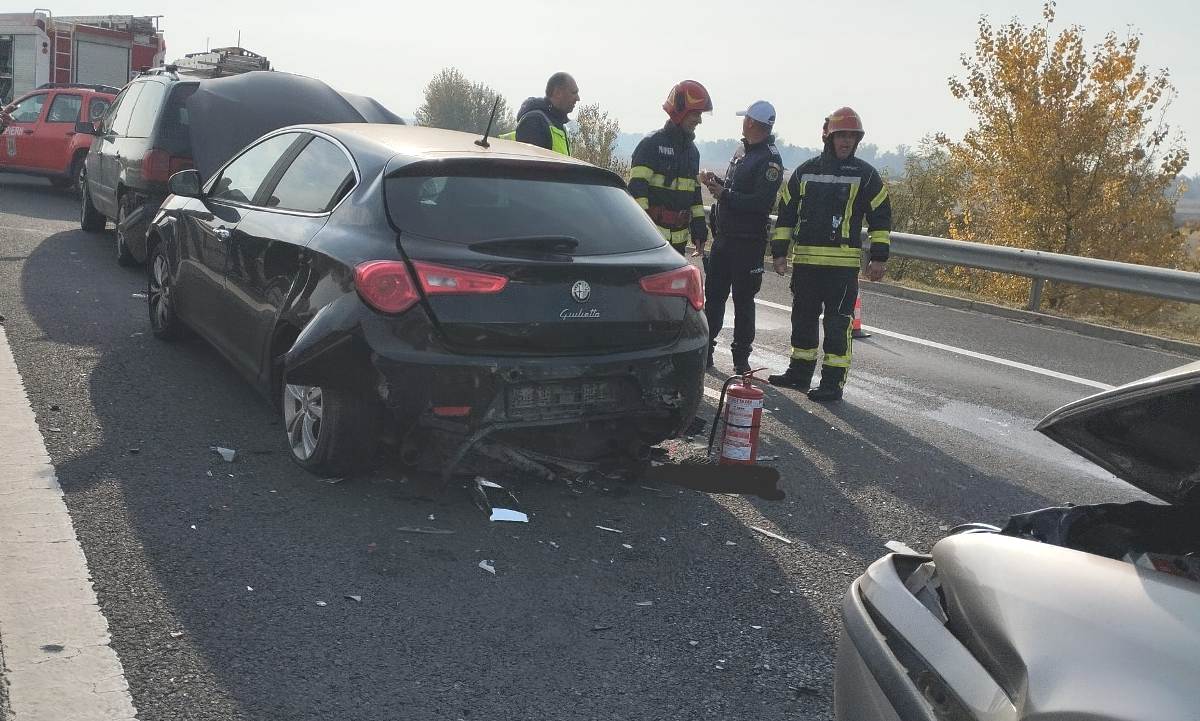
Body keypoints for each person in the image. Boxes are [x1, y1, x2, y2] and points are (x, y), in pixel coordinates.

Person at [767, 106, 891, 401]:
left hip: (842, 269)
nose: (846, 142)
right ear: (829, 137)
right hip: (807, 264)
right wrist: (780, 253)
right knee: (803, 319)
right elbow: (786, 213)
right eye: (841, 136)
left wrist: (879, 257)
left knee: (837, 324)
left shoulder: (865, 175)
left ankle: (832, 383)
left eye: (851, 136)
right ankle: (799, 373)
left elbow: (881, 217)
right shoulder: (806, 171)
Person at [699, 100, 784, 374]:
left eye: (744, 119)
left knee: (744, 301)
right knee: (713, 297)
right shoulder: (741, 150)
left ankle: (740, 360)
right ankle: (706, 350)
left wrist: (726, 194)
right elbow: (735, 190)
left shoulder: (770, 159)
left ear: (750, 122)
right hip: (724, 239)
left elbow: (761, 202)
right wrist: (717, 184)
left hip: (748, 242)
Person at [628, 80, 712, 255]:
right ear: (680, 112)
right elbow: (637, 191)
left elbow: (695, 196)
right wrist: (644, 231)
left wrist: (699, 228)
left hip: (678, 244)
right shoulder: (651, 144)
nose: (699, 120)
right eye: (695, 114)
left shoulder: (692, 152)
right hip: (651, 241)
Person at [504, 72, 579, 155]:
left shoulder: (557, 124)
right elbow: (532, 165)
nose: (578, 98)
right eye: (574, 93)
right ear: (557, 93)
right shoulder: (534, 122)